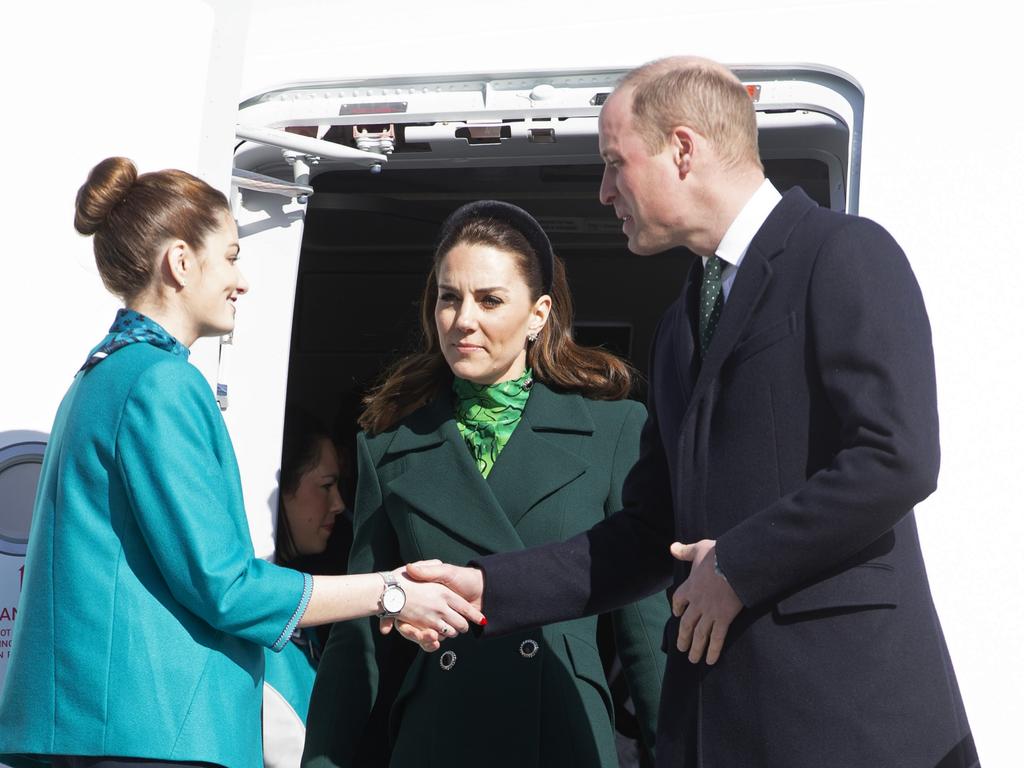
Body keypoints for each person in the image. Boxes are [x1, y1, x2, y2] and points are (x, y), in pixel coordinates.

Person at [401, 57, 978, 768]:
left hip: (845, 720)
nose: (604, 188)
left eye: (615, 163)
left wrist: (738, 563)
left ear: (682, 148)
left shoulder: (845, 253)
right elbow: (648, 532)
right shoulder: (679, 324)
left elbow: (897, 457)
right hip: (720, 727)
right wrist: (491, 585)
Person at [0, 157, 482, 768]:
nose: (242, 280)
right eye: (229, 256)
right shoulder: (161, 382)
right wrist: (389, 593)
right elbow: (224, 586)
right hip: (156, 738)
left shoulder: (98, 378)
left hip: (104, 732)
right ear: (180, 262)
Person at [301, 201, 668, 768]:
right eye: (449, 297)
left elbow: (646, 629)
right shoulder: (389, 442)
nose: (462, 319)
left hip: (560, 735)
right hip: (437, 737)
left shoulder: (614, 430)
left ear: (538, 314)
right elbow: (362, 643)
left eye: (490, 300)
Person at [263, 408, 352, 768]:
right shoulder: (253, 600)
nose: (339, 504)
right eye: (326, 486)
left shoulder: (301, 586)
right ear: (282, 490)